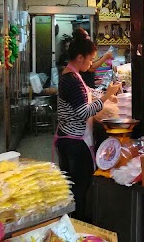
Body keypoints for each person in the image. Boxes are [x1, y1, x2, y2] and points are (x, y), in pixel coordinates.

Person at [54, 33, 121, 220]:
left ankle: (73, 223)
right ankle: (79, 224)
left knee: (73, 185)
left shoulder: (72, 75)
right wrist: (106, 97)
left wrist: (103, 94)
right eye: (90, 59)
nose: (92, 63)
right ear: (80, 57)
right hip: (74, 143)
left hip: (68, 139)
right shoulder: (72, 80)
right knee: (79, 186)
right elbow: (83, 112)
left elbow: (87, 92)